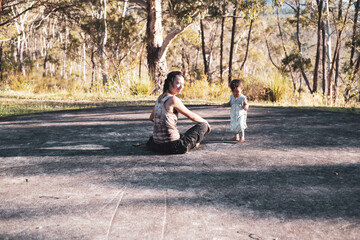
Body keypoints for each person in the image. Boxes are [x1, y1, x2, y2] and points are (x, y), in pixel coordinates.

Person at [147, 71, 211, 154]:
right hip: (173, 146)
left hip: (156, 145)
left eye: (183, 84)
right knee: (203, 126)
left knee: (180, 135)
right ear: (170, 83)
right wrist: (206, 122)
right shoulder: (173, 99)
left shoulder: (159, 98)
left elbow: (151, 118)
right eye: (178, 83)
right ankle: (193, 144)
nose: (181, 87)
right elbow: (191, 116)